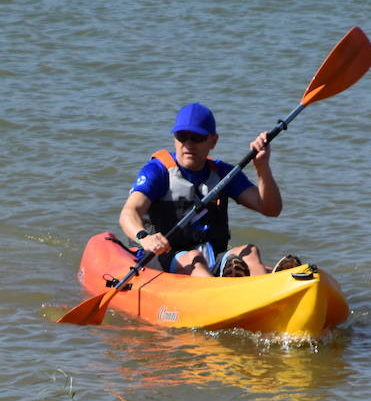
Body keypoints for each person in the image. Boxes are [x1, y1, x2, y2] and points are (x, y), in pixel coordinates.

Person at [118, 102, 300, 277]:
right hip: (161, 259)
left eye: (197, 138)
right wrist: (144, 237)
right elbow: (128, 213)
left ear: (213, 140)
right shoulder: (158, 171)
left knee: (251, 252)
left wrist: (262, 168)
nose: (188, 144)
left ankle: (266, 292)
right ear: (174, 139)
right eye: (182, 137)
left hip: (211, 257)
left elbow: (270, 209)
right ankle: (223, 299)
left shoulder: (224, 173)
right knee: (194, 258)